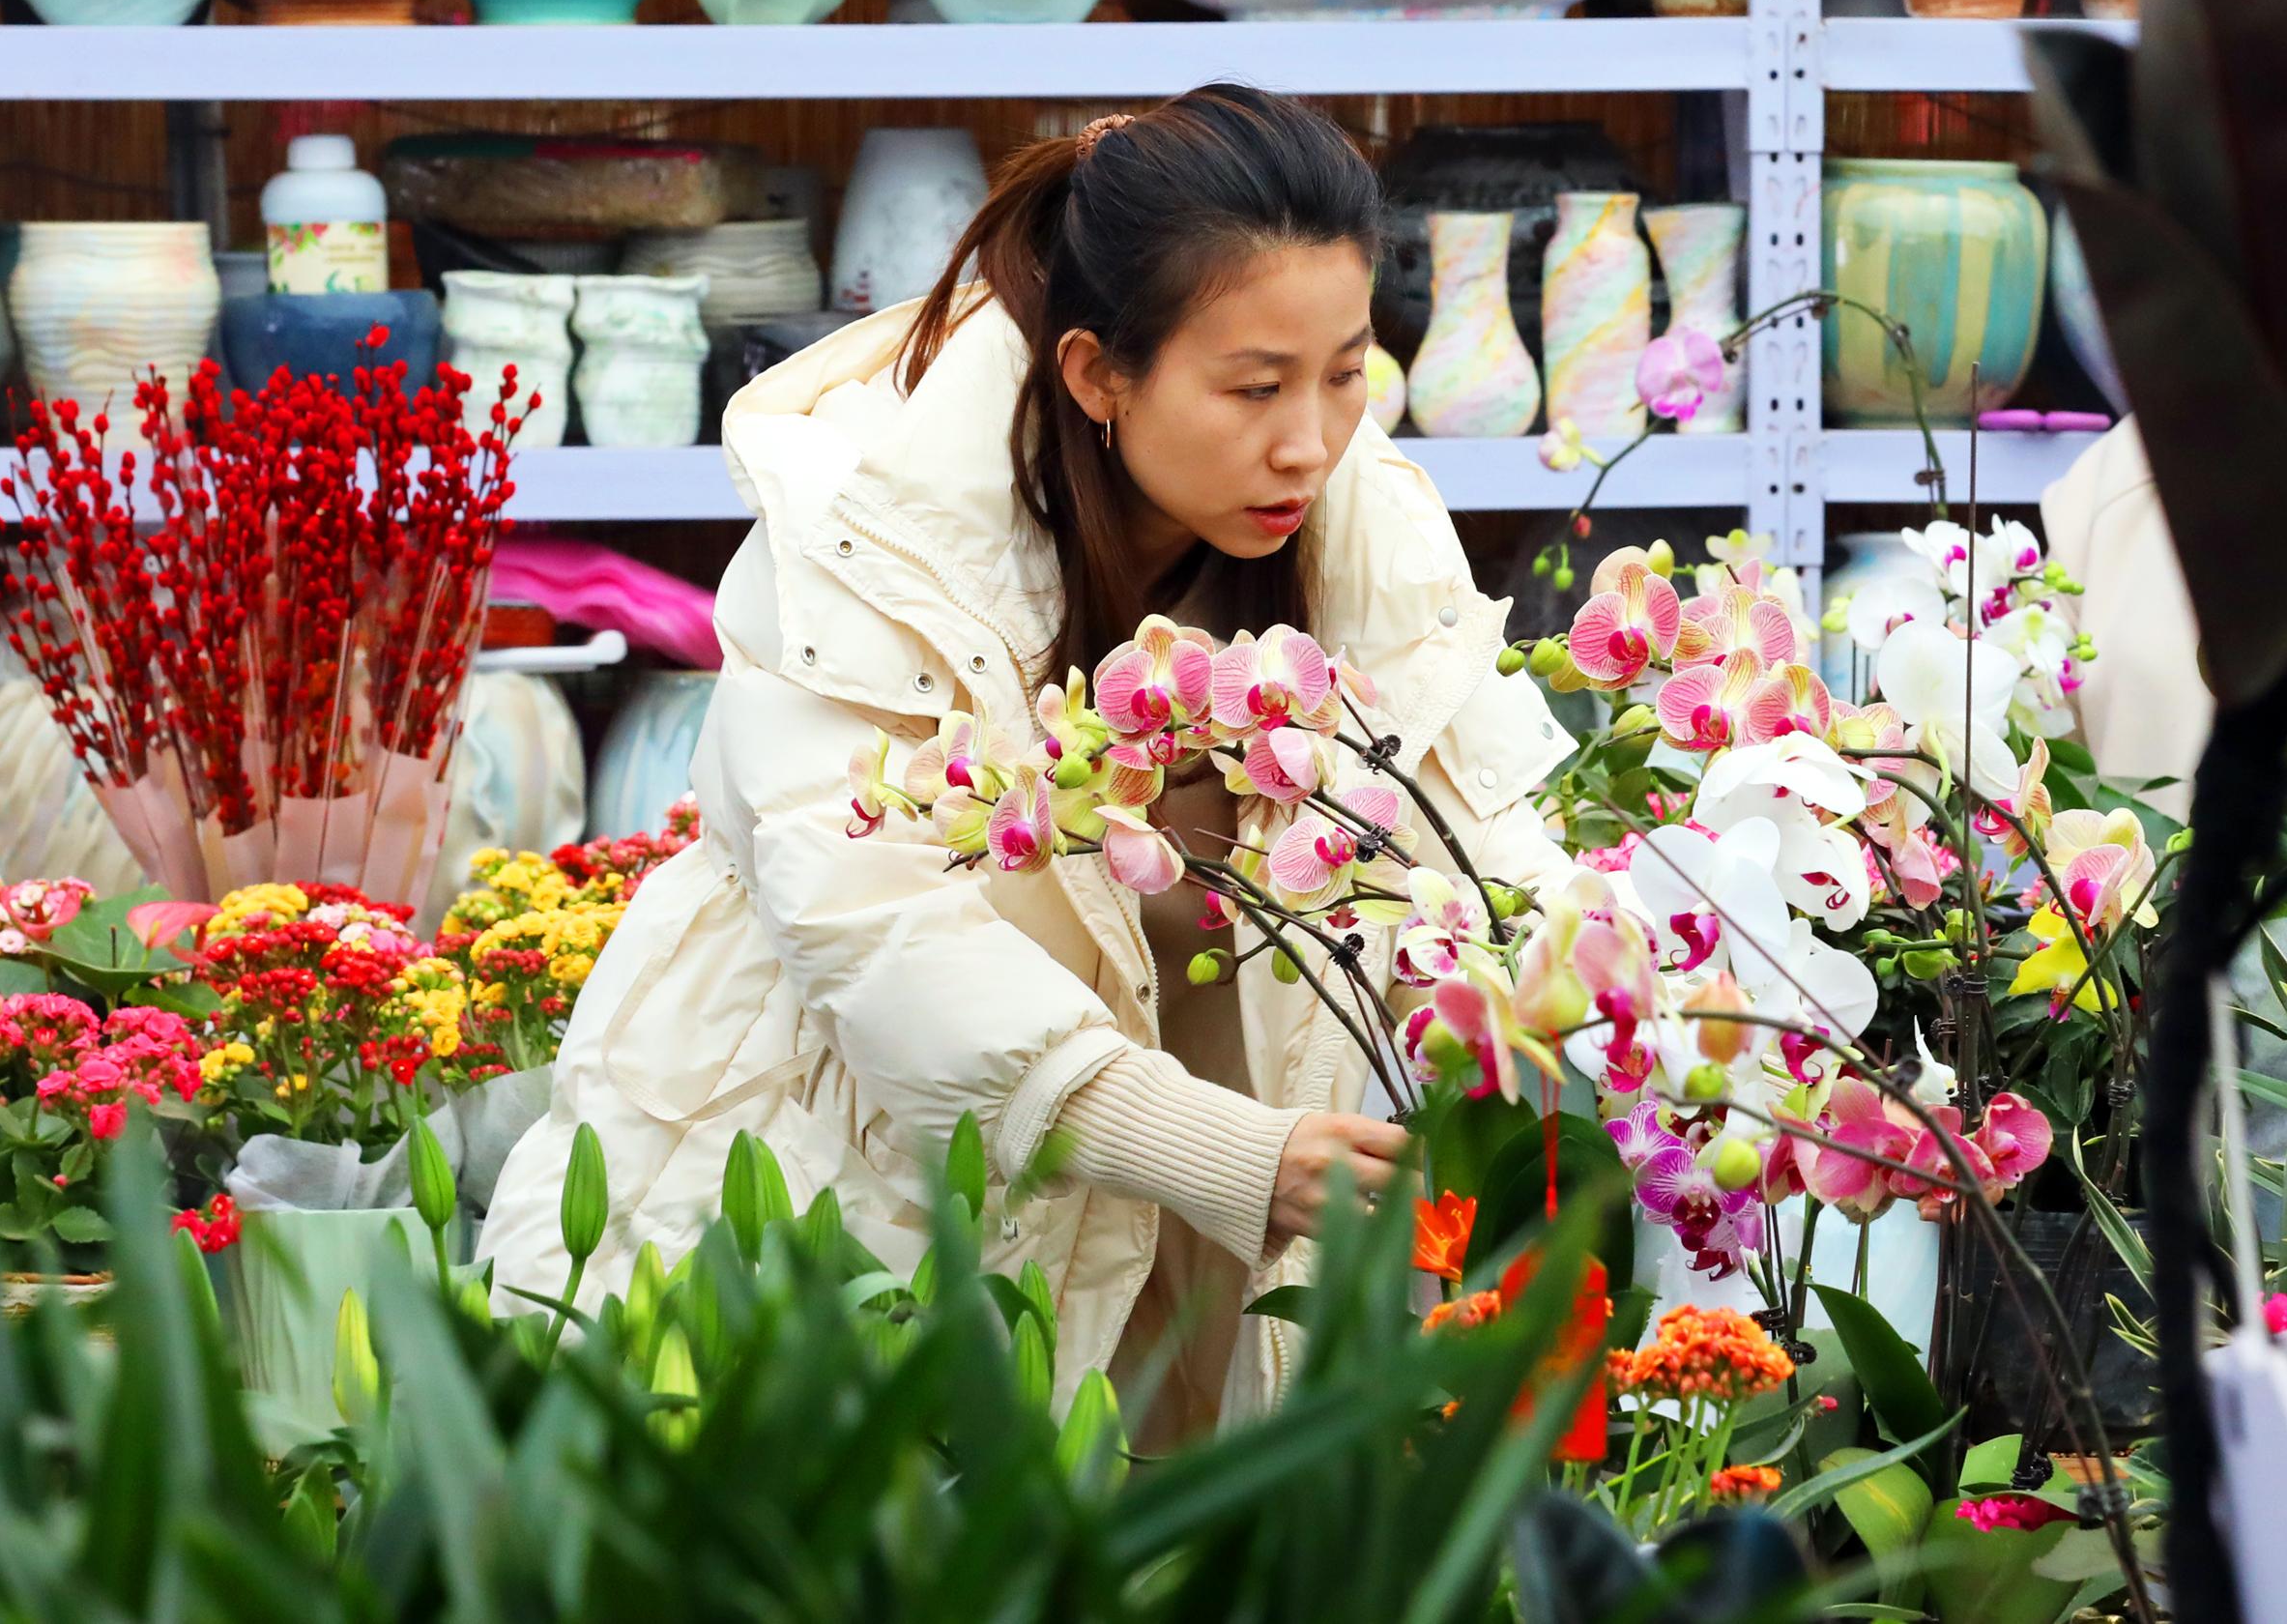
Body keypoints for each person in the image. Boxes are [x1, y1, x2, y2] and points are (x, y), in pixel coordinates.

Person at [478, 84, 1574, 1438]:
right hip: (854, 1174)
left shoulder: (1365, 529)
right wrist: (1210, 1146)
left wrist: (1657, 1016)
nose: (1311, 438)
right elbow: (874, 923)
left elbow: (1491, 841)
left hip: (1212, 1221)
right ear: (1096, 371)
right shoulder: (867, 536)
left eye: (1347, 371)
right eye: (1253, 385)